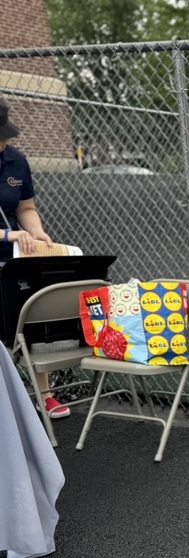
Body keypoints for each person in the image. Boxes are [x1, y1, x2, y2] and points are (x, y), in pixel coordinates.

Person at [0, 98, 67, 420]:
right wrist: (6, 235)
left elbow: (25, 208)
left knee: (32, 320)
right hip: (8, 245)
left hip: (15, 259)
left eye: (4, 137)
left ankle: (45, 395)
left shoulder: (16, 160)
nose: (3, 144)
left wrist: (37, 233)